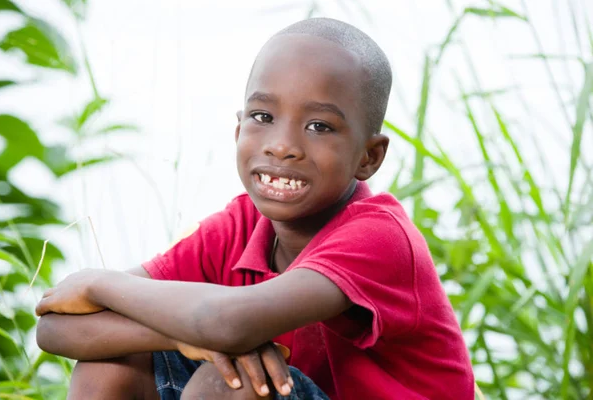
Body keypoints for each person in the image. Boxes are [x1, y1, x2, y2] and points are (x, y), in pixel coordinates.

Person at [35, 17, 474, 400]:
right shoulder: (242, 225)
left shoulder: (378, 238)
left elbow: (227, 324)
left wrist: (97, 283)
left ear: (369, 157)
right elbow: (55, 329)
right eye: (263, 117)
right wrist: (183, 337)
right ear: (238, 126)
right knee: (113, 360)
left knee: (234, 382)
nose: (282, 145)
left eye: (319, 126)